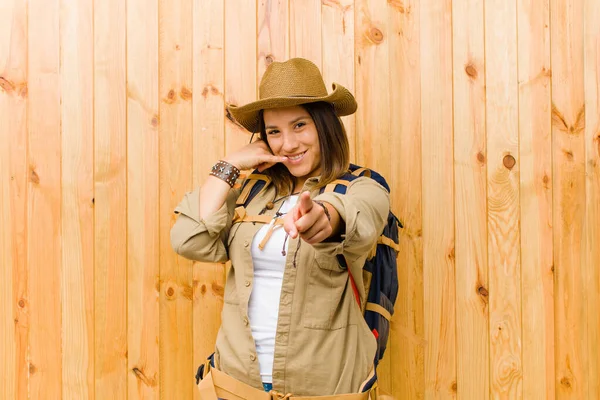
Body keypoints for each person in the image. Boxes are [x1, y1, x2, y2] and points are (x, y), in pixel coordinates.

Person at [170, 58, 390, 398]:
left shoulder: (362, 187)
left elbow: (355, 219)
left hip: (324, 389)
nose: (287, 144)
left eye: (299, 125)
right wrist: (229, 165)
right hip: (236, 385)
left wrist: (322, 219)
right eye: (274, 131)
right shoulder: (249, 192)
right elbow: (189, 239)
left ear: (324, 125)